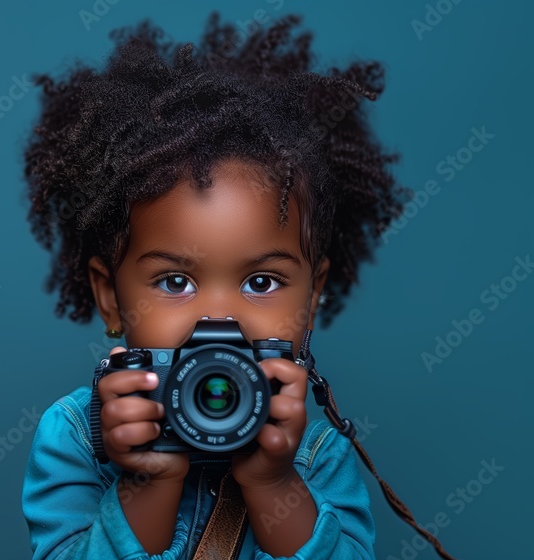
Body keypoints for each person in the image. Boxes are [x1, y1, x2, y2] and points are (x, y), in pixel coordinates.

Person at [20, 12, 405, 560]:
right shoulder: (78, 440)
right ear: (110, 296)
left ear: (311, 298)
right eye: (175, 281)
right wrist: (148, 482)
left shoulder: (318, 456)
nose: (219, 318)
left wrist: (275, 483)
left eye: (262, 281)